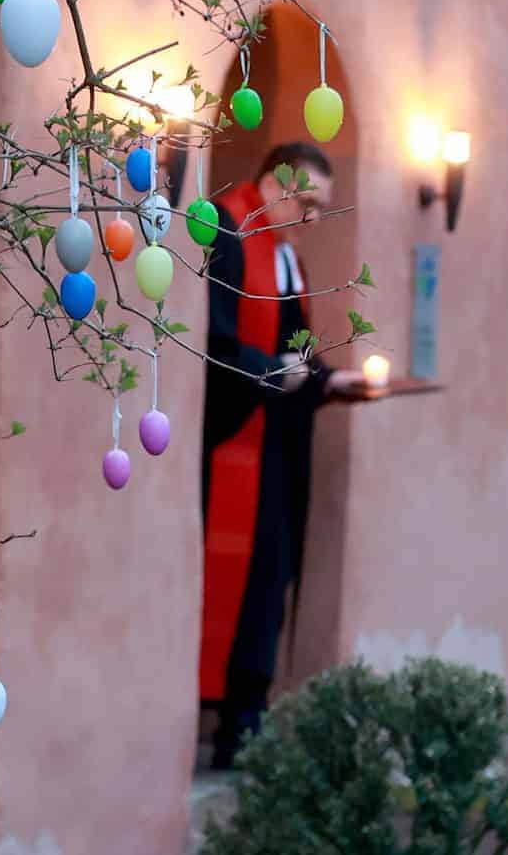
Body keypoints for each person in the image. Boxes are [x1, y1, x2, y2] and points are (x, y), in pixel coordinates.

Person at [199, 141, 365, 770]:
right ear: (275, 185)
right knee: (247, 584)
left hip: (280, 448)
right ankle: (234, 731)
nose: (315, 220)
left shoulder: (286, 255)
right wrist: (271, 372)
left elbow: (296, 351)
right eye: (309, 204)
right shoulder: (227, 234)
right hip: (237, 445)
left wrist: (331, 380)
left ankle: (251, 715)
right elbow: (213, 344)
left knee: (272, 581)